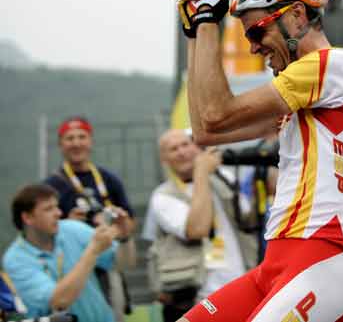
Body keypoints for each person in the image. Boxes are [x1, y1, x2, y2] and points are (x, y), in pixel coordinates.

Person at [174, 0, 343, 321]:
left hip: (325, 261)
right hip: (278, 264)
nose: (254, 48)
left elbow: (215, 113)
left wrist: (211, 21)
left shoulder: (332, 66)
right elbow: (208, 130)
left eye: (257, 32)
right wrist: (197, 31)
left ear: (298, 16)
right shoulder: (305, 97)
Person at [141, 129, 253, 322]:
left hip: (241, 286)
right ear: (164, 159)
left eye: (186, 144)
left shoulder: (222, 177)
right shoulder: (162, 196)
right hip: (197, 299)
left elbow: (248, 215)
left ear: (196, 147)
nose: (182, 152)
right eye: (173, 149)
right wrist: (201, 171)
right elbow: (197, 229)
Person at [44, 116, 136, 322]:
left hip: (107, 263)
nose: (76, 143)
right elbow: (44, 232)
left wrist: (117, 223)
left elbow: (129, 224)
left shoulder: (109, 179)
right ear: (61, 144)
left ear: (90, 141)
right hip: (70, 265)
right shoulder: (51, 186)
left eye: (81, 137)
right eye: (69, 138)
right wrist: (67, 223)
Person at [2, 183, 131, 322]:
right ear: (27, 218)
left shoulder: (72, 229)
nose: (59, 213)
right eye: (48, 209)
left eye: (56, 206)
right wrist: (93, 251)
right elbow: (60, 301)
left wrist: (124, 237)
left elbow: (123, 263)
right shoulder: (15, 259)